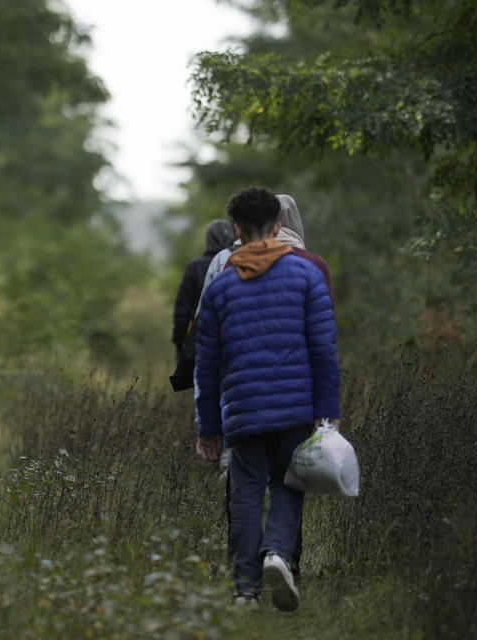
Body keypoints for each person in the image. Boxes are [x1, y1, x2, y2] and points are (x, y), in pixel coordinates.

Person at [195, 187, 340, 611]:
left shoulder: (220, 290)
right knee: (287, 483)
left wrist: (208, 428)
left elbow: (208, 365)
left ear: (236, 230)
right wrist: (326, 414)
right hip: (296, 406)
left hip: (242, 409)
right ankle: (277, 553)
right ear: (278, 226)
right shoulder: (307, 276)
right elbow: (323, 350)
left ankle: (245, 591)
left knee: (245, 491)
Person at [171, 219, 234, 355]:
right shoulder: (238, 261)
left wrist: (180, 342)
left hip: (200, 338)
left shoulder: (195, 267)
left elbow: (183, 310)